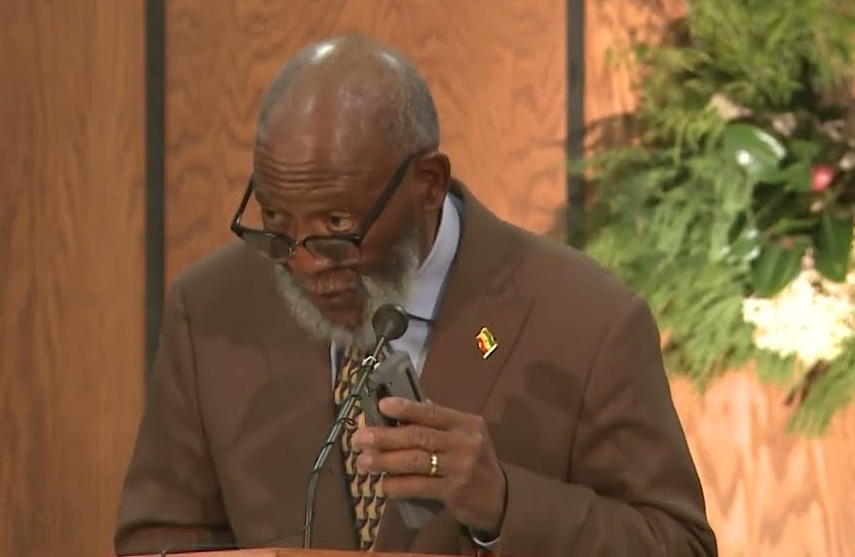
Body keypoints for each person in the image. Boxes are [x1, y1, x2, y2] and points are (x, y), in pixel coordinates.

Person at [113, 34, 718, 556]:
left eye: (336, 226)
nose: (301, 262)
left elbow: (678, 545)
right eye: (275, 220)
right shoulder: (211, 309)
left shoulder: (588, 321)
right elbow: (161, 539)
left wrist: (504, 505)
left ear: (428, 184)